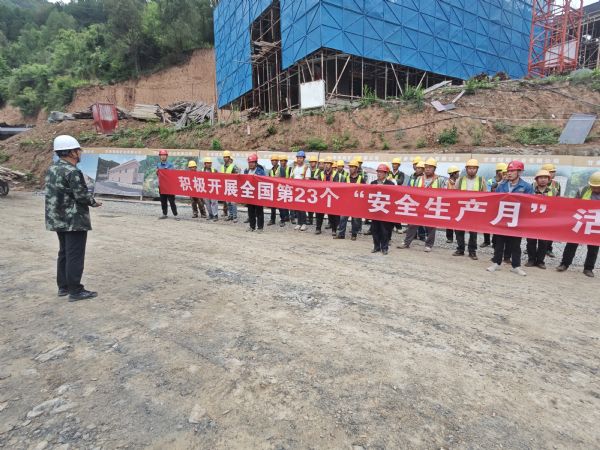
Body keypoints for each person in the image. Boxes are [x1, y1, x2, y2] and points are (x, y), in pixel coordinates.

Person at [45, 135, 102, 302]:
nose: (80, 153)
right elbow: (81, 195)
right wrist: (94, 202)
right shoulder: (72, 171)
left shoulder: (52, 169)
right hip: (74, 220)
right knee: (75, 254)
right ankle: (75, 290)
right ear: (71, 152)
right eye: (78, 150)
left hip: (57, 218)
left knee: (64, 252)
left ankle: (63, 286)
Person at [487, 160, 534, 276]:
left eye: (512, 171)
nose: (509, 173)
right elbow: (496, 201)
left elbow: (529, 204)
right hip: (503, 218)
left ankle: (516, 266)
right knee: (499, 242)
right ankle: (496, 263)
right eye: (508, 171)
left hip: (517, 220)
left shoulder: (526, 187)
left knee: (515, 244)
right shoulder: (501, 186)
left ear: (519, 172)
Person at [557, 171, 600, 278]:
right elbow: (575, 205)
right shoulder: (583, 190)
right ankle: (564, 264)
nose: (594, 189)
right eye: (593, 186)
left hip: (596, 224)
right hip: (581, 221)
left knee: (593, 247)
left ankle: (588, 268)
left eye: (597, 187)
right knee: (571, 243)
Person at [399, 158, 442, 252]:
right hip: (419, 205)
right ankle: (406, 242)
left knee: (431, 226)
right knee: (412, 224)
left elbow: (444, 193)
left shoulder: (439, 180)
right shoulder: (419, 179)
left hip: (432, 206)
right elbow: (414, 191)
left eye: (430, 167)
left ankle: (429, 245)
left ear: (434, 168)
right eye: (426, 167)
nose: (428, 169)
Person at [452, 159, 487, 260]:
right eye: (470, 168)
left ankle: (472, 251)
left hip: (474, 210)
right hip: (462, 209)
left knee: (473, 232)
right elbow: (454, 193)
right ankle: (460, 249)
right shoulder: (460, 180)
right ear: (466, 169)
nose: (472, 170)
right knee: (459, 230)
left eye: (474, 168)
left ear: (477, 169)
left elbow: (485, 194)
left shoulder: (481, 180)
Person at [524, 170, 557, 270]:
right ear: (536, 179)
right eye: (541, 178)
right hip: (532, 220)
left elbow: (557, 205)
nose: (543, 180)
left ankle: (540, 261)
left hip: (546, 221)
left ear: (549, 180)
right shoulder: (530, 190)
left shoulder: (554, 191)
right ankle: (531, 259)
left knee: (543, 242)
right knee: (531, 241)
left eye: (545, 178)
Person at [370, 164, 395, 254]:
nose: (379, 174)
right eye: (378, 172)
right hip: (375, 210)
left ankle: (384, 248)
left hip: (385, 211)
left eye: (381, 172)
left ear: (386, 173)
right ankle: (376, 247)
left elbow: (393, 197)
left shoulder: (390, 184)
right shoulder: (373, 183)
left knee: (385, 230)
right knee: (375, 230)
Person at [338, 160, 366, 240]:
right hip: (347, 202)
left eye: (353, 167)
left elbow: (364, 191)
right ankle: (341, 234)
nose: (351, 168)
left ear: (356, 168)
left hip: (356, 203)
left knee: (355, 220)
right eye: (350, 167)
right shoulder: (346, 178)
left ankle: (354, 235)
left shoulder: (361, 179)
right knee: (343, 218)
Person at [482, 162, 508, 248]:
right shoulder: (490, 181)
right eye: (502, 172)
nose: (505, 174)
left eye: (505, 172)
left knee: (497, 224)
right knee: (487, 224)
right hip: (491, 205)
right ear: (497, 172)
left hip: (501, 206)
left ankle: (495, 242)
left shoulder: (507, 182)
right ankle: (486, 241)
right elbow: (488, 192)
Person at [541, 163, 562, 258]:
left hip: (551, 212)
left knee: (550, 232)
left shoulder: (556, 184)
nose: (553, 174)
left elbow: (558, 198)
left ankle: (548, 249)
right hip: (539, 211)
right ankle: (530, 248)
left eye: (553, 172)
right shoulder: (535, 184)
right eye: (551, 172)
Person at [244, 153, 266, 232]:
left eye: (252, 162)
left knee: (259, 211)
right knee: (250, 211)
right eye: (249, 162)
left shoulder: (260, 171)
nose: (251, 164)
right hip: (249, 194)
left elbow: (264, 181)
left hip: (258, 194)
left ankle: (260, 227)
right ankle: (252, 226)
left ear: (256, 163)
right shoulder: (246, 171)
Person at [315, 157, 337, 235]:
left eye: (328, 163)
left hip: (331, 197)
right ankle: (318, 228)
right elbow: (318, 185)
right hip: (323, 196)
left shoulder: (336, 174)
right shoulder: (321, 174)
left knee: (332, 215)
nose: (327, 165)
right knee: (319, 214)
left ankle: (334, 230)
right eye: (326, 163)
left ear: (331, 165)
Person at [291, 150, 310, 231]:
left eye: (301, 158)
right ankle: (299, 223)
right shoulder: (294, 168)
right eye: (298, 158)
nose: (299, 159)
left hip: (303, 191)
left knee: (302, 208)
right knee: (297, 207)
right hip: (295, 190)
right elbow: (291, 178)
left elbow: (307, 180)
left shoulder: (306, 168)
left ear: (303, 159)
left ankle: (304, 223)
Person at [157, 149, 178, 220]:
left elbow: (172, 174)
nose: (163, 156)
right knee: (163, 201)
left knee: (172, 201)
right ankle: (164, 214)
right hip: (162, 186)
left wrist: (166, 171)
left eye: (164, 155)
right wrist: (157, 172)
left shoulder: (170, 165)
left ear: (167, 156)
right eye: (161, 155)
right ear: (160, 156)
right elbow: (158, 174)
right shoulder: (158, 165)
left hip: (169, 187)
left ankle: (175, 215)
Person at [221, 150, 239, 223]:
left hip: (233, 186)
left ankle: (235, 217)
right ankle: (230, 215)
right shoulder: (222, 167)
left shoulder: (233, 166)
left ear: (229, 158)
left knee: (233, 203)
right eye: (224, 157)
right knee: (228, 202)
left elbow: (238, 174)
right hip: (226, 186)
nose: (225, 158)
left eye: (226, 157)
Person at [389, 158, 406, 234]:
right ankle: (391, 227)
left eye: (395, 164)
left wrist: (392, 180)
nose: (394, 165)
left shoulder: (401, 174)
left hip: (396, 195)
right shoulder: (388, 172)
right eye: (393, 164)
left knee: (395, 211)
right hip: (389, 194)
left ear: (399, 165)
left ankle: (399, 227)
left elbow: (400, 181)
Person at [275, 154, 292, 226]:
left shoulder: (290, 169)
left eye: (284, 161)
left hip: (288, 188)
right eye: (281, 161)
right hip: (281, 188)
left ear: (286, 161)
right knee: (281, 205)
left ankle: (287, 217)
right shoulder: (278, 169)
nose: (283, 162)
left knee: (287, 205)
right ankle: (283, 219)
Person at [445, 166, 461, 243]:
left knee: (457, 221)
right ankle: (449, 238)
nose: (458, 174)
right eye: (457, 173)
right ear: (453, 174)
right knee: (449, 221)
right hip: (450, 204)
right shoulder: (447, 183)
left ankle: (459, 238)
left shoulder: (459, 182)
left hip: (458, 204)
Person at [202, 157, 219, 222]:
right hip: (205, 189)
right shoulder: (202, 170)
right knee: (207, 203)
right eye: (208, 163)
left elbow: (219, 178)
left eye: (210, 163)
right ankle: (210, 214)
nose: (209, 164)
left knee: (214, 202)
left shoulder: (214, 170)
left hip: (213, 188)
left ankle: (215, 215)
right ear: (205, 164)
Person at [307, 155, 321, 225]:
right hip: (309, 191)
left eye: (313, 162)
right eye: (311, 162)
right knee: (309, 206)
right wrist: (313, 178)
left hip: (317, 191)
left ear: (316, 163)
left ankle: (318, 221)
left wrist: (310, 179)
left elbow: (318, 179)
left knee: (317, 207)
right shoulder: (307, 170)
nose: (312, 163)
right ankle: (310, 220)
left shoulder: (319, 171)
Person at [267, 154, 280, 226]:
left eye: (275, 160)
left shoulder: (280, 169)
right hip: (273, 190)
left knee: (281, 206)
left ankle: (283, 219)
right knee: (273, 206)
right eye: (272, 160)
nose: (274, 161)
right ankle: (272, 219)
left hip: (280, 189)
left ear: (277, 161)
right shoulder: (270, 170)